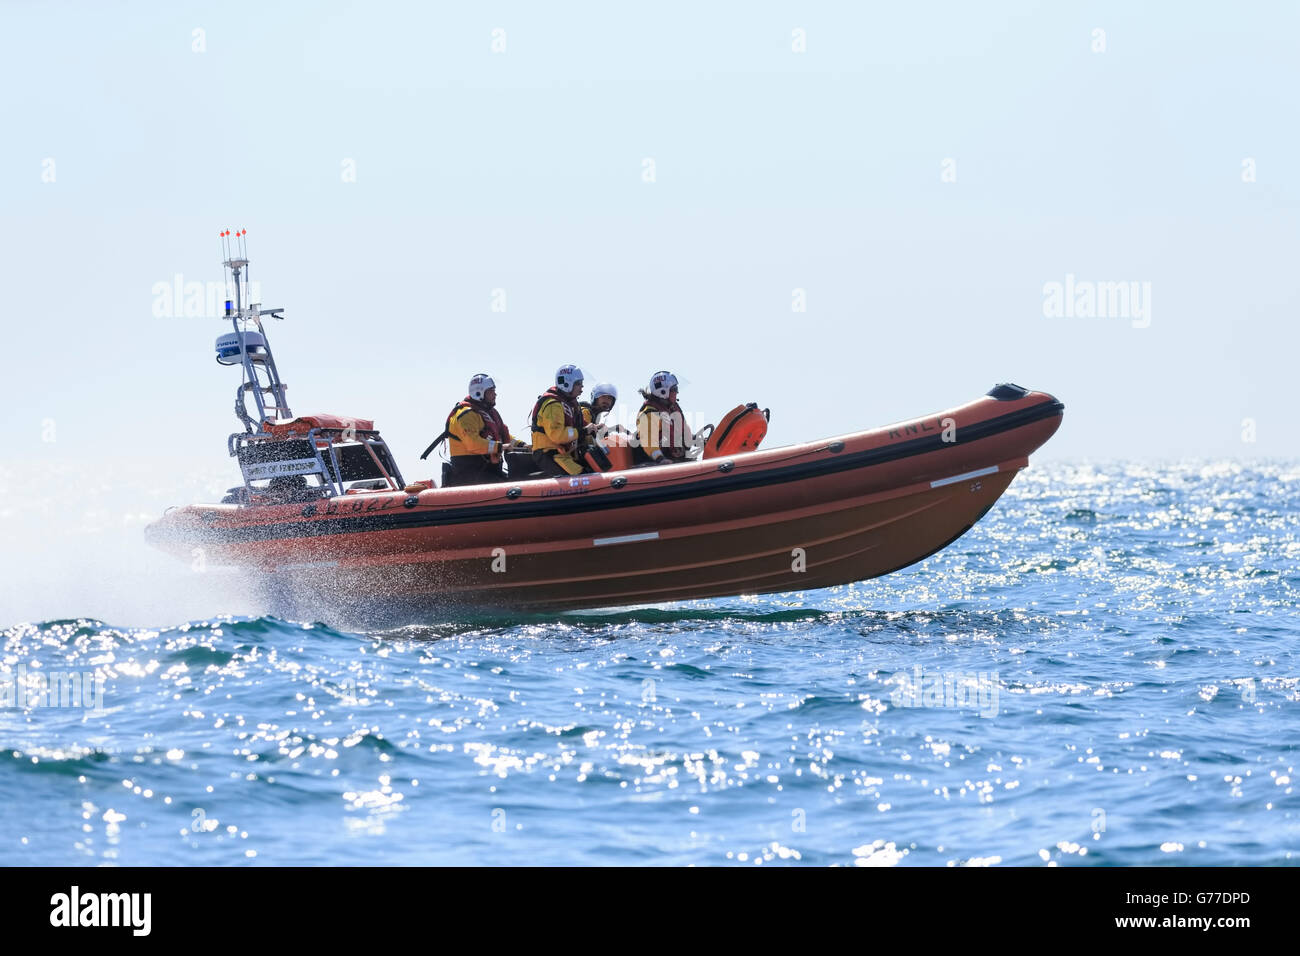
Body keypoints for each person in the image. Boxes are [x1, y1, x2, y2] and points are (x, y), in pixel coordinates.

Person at [425, 373, 521, 486]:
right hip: (469, 473)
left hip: (487, 471)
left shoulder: (489, 413)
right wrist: (499, 447)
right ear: (479, 392)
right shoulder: (466, 415)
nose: (495, 394)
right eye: (491, 391)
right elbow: (473, 443)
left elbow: (502, 435)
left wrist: (520, 445)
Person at [633, 371, 709, 465]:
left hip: (675, 460)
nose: (677, 392)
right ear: (663, 391)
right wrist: (660, 459)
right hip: (655, 464)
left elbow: (684, 433)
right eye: (674, 389)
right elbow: (649, 443)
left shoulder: (673, 410)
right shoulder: (649, 413)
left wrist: (699, 441)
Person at [529, 364, 590, 477]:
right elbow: (558, 435)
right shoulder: (553, 405)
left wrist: (595, 428)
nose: (582, 387)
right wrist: (583, 431)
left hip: (563, 454)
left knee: (589, 470)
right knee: (582, 477)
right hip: (549, 453)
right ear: (567, 383)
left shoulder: (570, 404)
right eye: (578, 384)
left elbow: (580, 425)